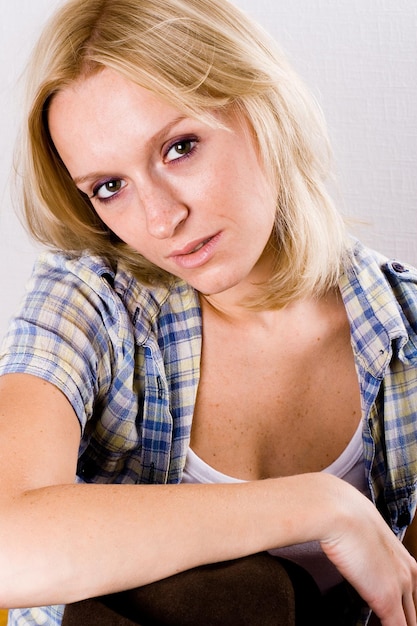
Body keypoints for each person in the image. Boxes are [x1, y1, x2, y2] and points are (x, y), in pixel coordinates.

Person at [0, 0, 416, 624]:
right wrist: (319, 505)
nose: (161, 219)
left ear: (262, 109)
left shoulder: (404, 331)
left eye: (179, 147)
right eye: (109, 187)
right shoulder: (91, 303)